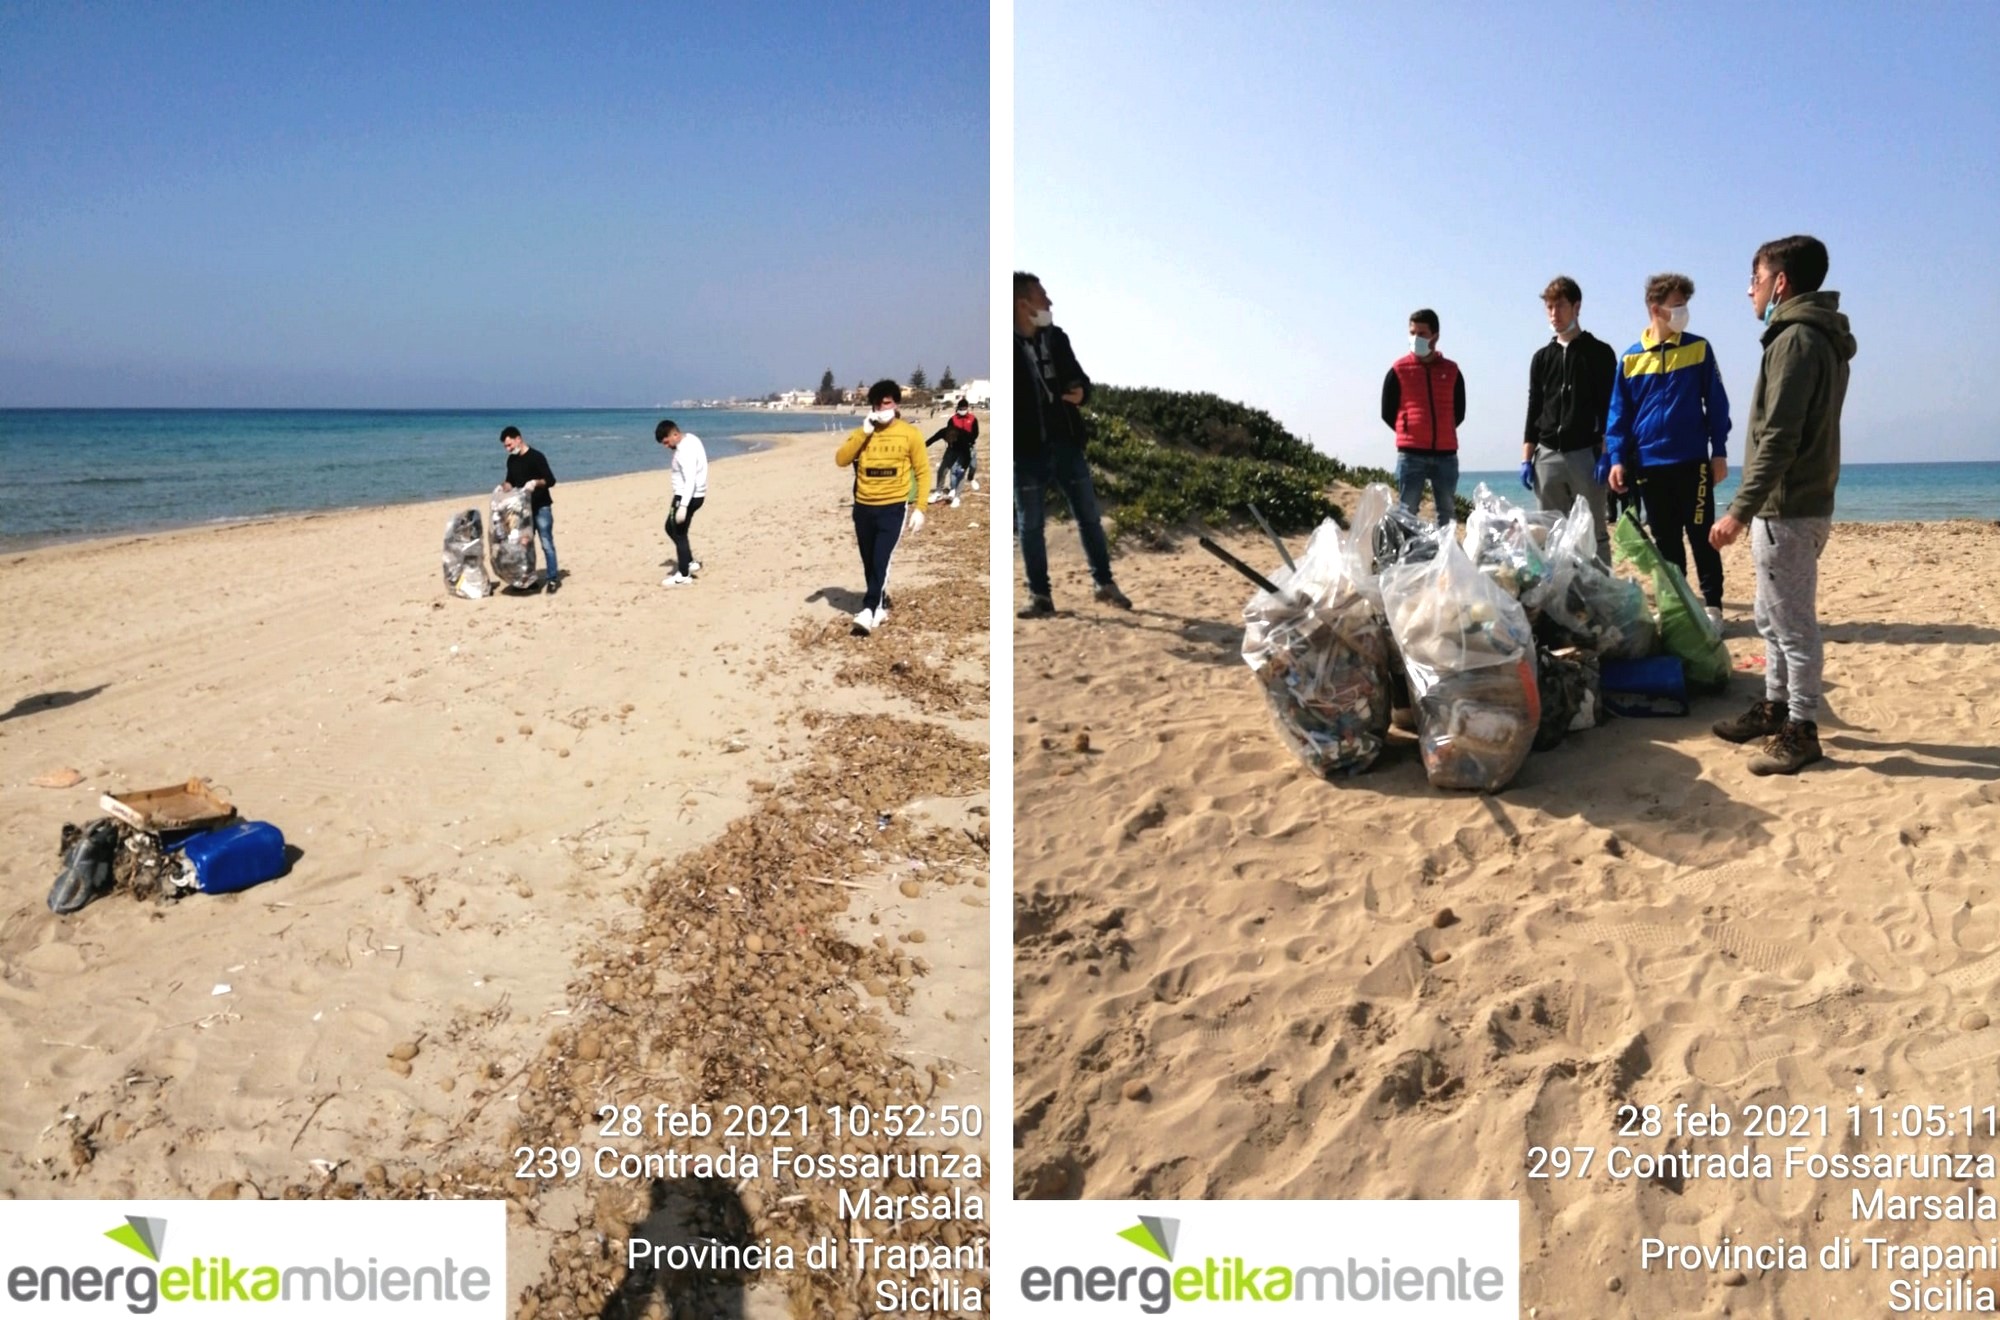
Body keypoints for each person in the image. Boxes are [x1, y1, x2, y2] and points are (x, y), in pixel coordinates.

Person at [1708, 235, 1856, 776]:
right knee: (1771, 619)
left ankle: (1802, 728)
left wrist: (1738, 510)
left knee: (1792, 626)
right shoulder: (1811, 336)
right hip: (1794, 506)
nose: (1750, 289)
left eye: (1755, 278)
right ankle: (1774, 708)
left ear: (1781, 283)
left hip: (1789, 508)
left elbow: (1780, 438)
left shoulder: (1796, 339)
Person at [1606, 273, 1732, 629]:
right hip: (1649, 465)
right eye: (1677, 305)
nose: (1683, 312)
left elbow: (1717, 404)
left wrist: (1719, 450)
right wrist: (1617, 459)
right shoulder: (1630, 359)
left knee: (1702, 536)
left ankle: (1713, 608)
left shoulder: (1699, 348)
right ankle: (1679, 604)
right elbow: (1618, 414)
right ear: (1655, 308)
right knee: (1666, 543)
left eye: (1685, 305)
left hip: (1692, 462)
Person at [1013, 271, 1131, 617]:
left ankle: (1104, 584)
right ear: (1023, 304)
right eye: (1042, 296)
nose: (1048, 303)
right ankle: (1040, 596)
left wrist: (1082, 392)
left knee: (1089, 517)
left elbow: (1081, 380)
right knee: (1030, 525)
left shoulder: (1057, 338)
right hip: (1026, 452)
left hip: (1067, 444)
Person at [1523, 276, 1618, 563]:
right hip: (1548, 454)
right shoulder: (1541, 358)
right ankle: (1557, 596)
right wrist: (1528, 457)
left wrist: (1606, 454)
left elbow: (1609, 408)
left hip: (1585, 455)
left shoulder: (1599, 353)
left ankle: (1600, 592)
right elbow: (1534, 407)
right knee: (1550, 531)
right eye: (1549, 307)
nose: (1554, 313)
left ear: (1576, 307)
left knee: (1593, 531)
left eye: (1560, 306)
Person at [834, 379, 929, 634]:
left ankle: (868, 608)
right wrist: (863, 434)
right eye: (877, 404)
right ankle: (880, 604)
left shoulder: (910, 434)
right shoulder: (863, 432)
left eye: (886, 402)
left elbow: (922, 471)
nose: (882, 407)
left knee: (881, 559)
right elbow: (841, 459)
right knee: (869, 561)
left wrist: (920, 508)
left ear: (895, 403)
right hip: (863, 507)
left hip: (893, 508)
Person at [1381, 308, 1466, 527]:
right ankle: (1404, 558)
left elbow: (1460, 411)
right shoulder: (1398, 369)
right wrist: (1410, 430)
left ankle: (1444, 558)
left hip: (1446, 456)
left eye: (1421, 333)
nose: (1415, 338)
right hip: (1411, 456)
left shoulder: (1452, 370)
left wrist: (1442, 430)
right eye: (1412, 333)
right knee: (1407, 513)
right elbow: (1387, 411)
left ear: (1435, 336)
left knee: (1447, 513)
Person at [499, 426, 559, 593]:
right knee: (524, 545)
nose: (508, 449)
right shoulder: (511, 461)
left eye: (510, 445)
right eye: (505, 446)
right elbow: (510, 481)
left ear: (519, 439)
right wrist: (504, 487)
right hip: (523, 510)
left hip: (541, 507)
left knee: (546, 543)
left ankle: (552, 578)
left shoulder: (536, 457)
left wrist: (535, 483)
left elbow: (551, 480)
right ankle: (528, 579)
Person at [654, 420, 708, 586]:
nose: (666, 446)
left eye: (666, 442)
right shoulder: (691, 438)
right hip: (695, 495)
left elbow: (690, 479)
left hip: (686, 496)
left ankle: (684, 574)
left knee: (678, 532)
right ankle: (690, 562)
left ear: (675, 435)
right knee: (671, 528)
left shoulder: (684, 450)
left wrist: (683, 506)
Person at [927, 399, 979, 507]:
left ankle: (957, 496)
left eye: (965, 408)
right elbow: (932, 440)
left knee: (960, 471)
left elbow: (968, 457)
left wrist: (963, 468)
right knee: (942, 469)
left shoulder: (962, 438)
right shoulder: (945, 430)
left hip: (965, 448)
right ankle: (938, 492)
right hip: (952, 449)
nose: (963, 410)